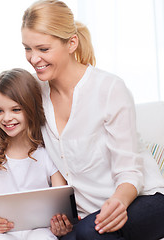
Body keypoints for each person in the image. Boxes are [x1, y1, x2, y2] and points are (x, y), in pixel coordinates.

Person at [20, 0, 164, 239]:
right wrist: (61, 216)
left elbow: (130, 171)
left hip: (141, 198)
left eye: (43, 49)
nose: (34, 59)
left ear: (71, 43)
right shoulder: (36, 94)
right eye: (27, 48)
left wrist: (117, 202)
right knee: (70, 235)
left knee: (88, 232)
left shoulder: (108, 89)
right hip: (88, 214)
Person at [0, 68, 67, 240]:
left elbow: (61, 206)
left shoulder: (48, 151)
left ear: (30, 109)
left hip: (41, 231)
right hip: (1, 233)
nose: (6, 118)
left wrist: (61, 225)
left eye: (16, 110)